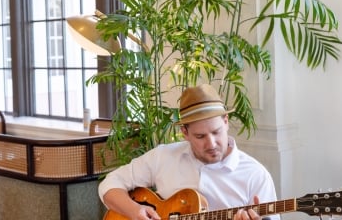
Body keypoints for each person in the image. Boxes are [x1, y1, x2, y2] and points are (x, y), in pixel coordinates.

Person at [98, 84, 280, 220]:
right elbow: (109, 184)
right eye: (200, 136)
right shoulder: (163, 156)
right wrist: (134, 211)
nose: (211, 143)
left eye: (216, 132)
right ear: (184, 133)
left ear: (225, 121)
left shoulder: (255, 175)